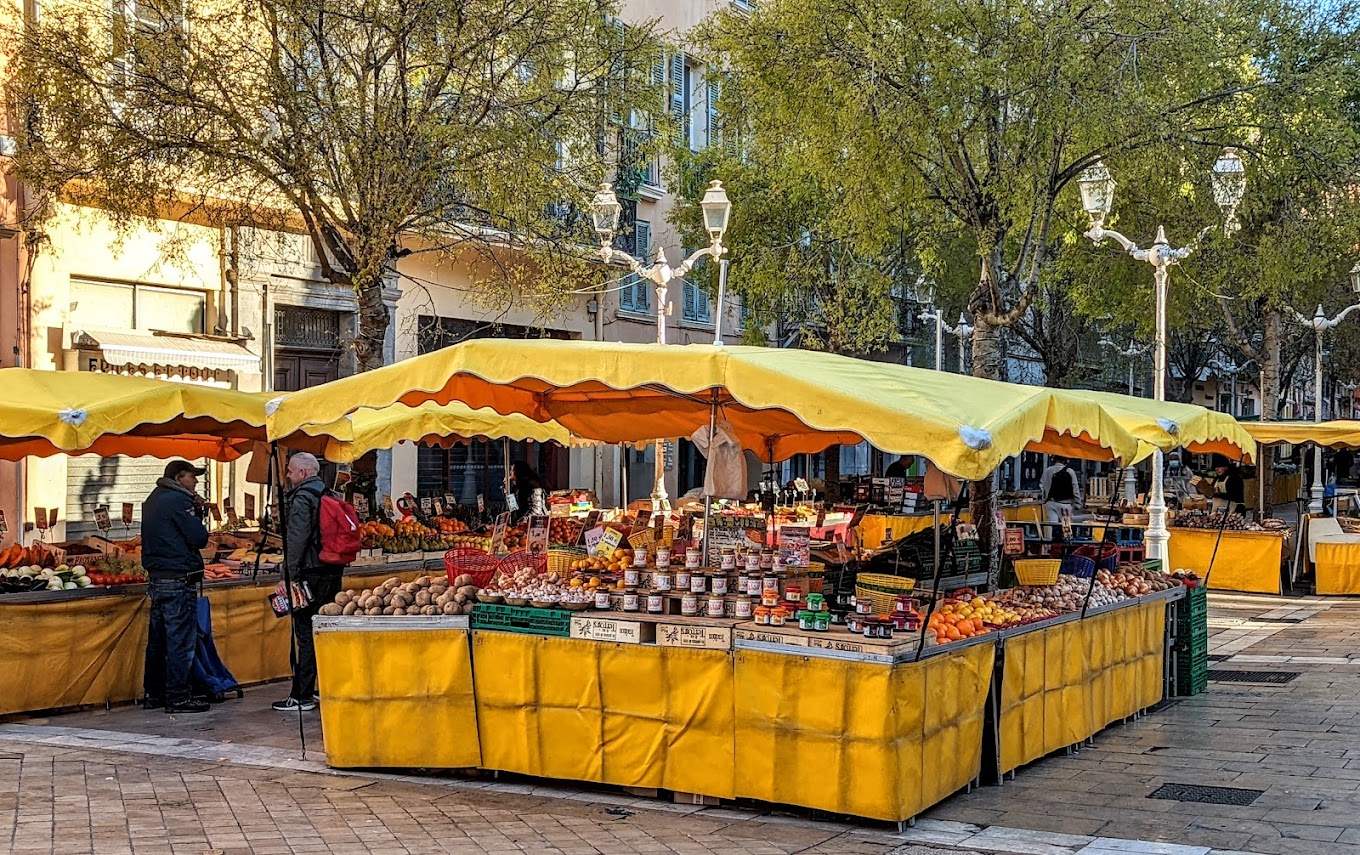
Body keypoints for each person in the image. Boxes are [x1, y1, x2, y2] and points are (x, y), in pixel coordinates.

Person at [273, 452, 343, 713]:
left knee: (306, 634)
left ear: (302, 473)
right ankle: (319, 689)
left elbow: (297, 541)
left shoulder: (303, 498)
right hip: (332, 571)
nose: (287, 476)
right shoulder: (328, 493)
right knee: (324, 631)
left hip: (310, 575)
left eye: (290, 471)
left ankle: (301, 696)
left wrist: (286, 576)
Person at [142, 460, 211, 715]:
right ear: (179, 477)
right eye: (192, 477)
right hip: (178, 579)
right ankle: (178, 697)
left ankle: (154, 693)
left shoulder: (154, 498)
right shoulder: (178, 502)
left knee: (157, 641)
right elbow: (199, 538)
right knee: (180, 641)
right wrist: (197, 512)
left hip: (158, 578)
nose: (196, 482)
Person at [1040, 457, 1082, 524]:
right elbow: (1075, 489)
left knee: (1052, 527)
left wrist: (1044, 498)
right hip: (1066, 505)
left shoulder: (1046, 471)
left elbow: (1042, 486)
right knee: (1066, 529)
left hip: (1050, 503)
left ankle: (1052, 534)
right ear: (1066, 461)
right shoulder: (1070, 471)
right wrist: (1078, 504)